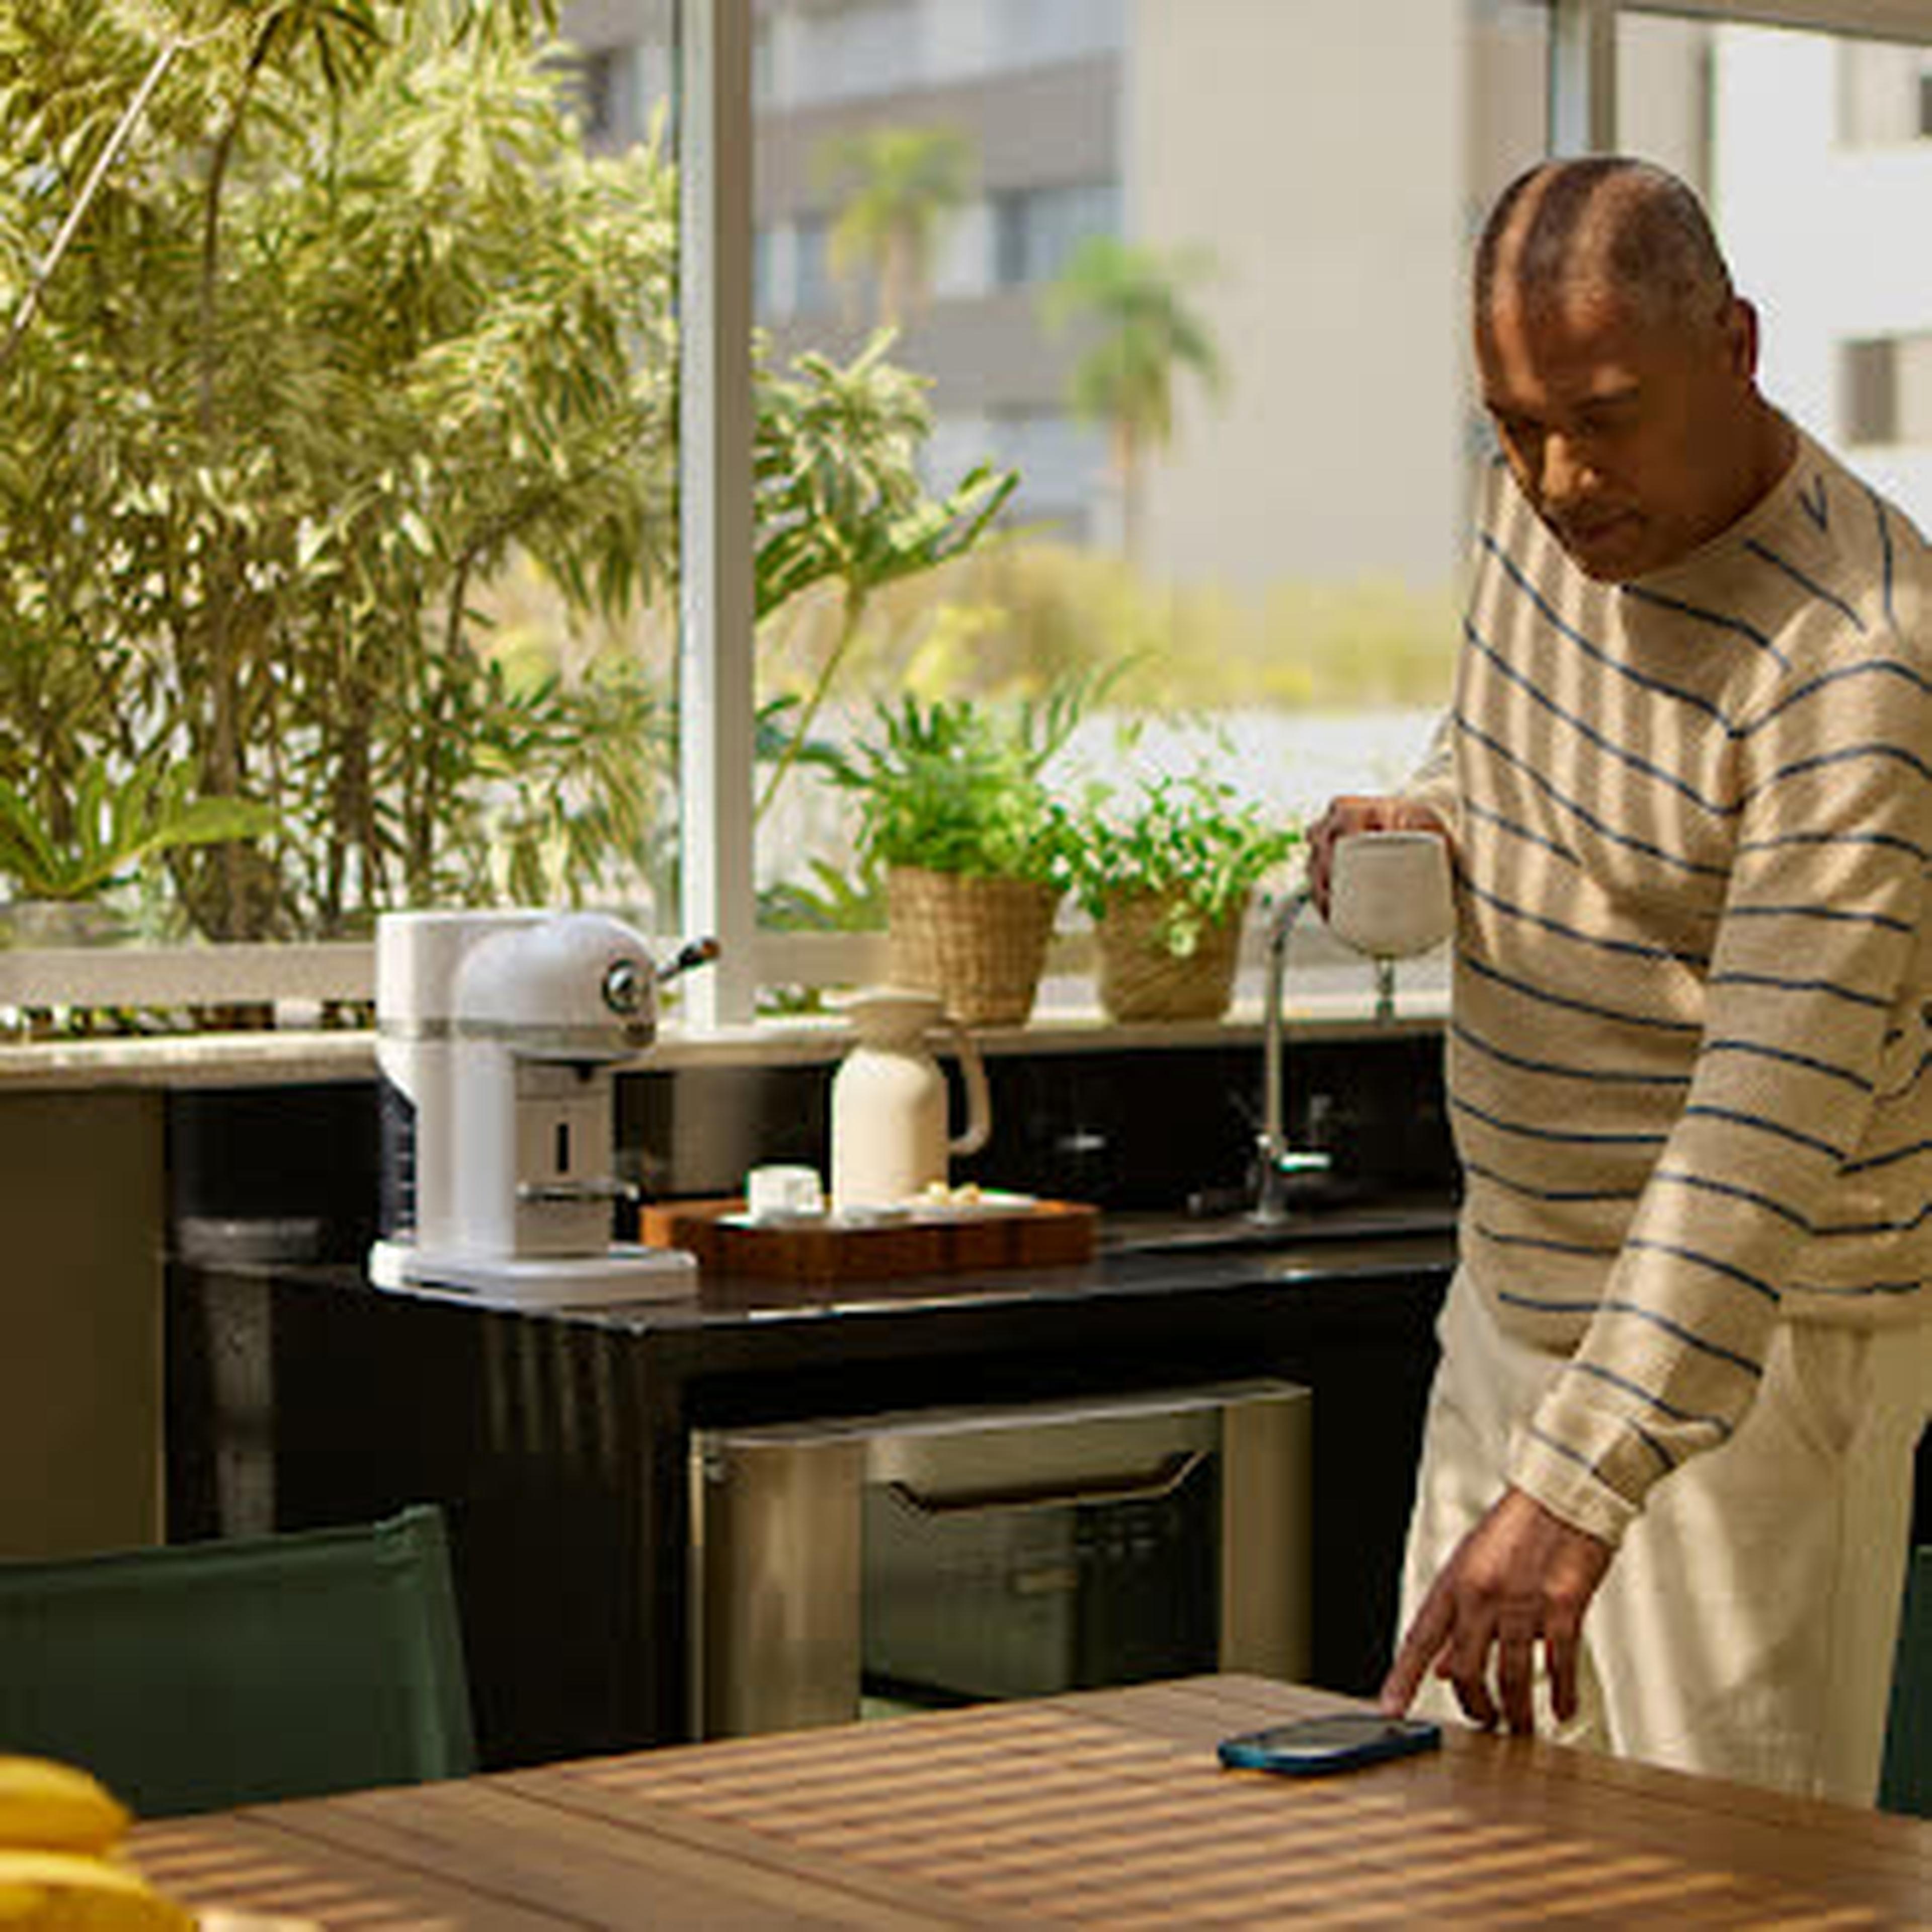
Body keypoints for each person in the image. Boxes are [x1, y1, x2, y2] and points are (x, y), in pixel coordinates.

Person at [1310, 154, 1932, 1805]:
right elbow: (1507, 753)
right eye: (1510, 426)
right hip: (1517, 1279)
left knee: (1716, 1877)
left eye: (1600, 415)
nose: (1559, 477)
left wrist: (1578, 1485)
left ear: (1736, 344)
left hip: (1769, 1352)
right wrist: (1427, 820)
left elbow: (1767, 1122)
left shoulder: (1858, 659)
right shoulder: (1547, 518)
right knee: (1457, 1829)